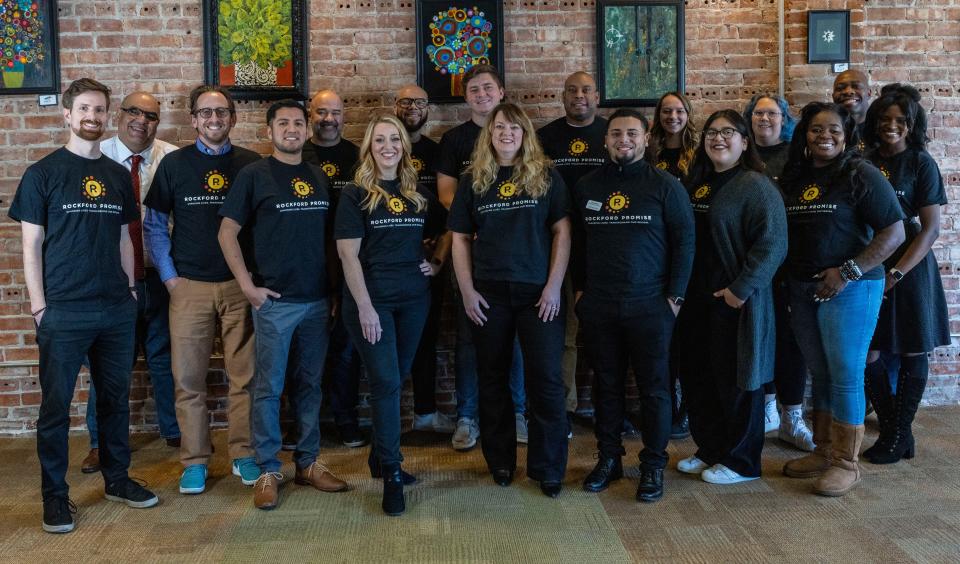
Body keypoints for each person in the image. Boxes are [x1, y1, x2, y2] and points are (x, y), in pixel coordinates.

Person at [9, 78, 159, 534]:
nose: (92, 117)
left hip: (115, 308)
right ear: (68, 115)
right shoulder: (43, 173)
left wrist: (131, 291)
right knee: (55, 410)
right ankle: (55, 498)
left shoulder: (117, 176)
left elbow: (123, 237)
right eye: (84, 109)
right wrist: (39, 308)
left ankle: (117, 479)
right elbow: (30, 247)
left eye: (100, 110)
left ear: (107, 116)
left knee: (114, 401)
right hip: (63, 312)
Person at [218, 100, 348, 510]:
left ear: (307, 129)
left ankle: (308, 463)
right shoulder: (254, 175)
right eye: (283, 123)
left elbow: (329, 240)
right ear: (270, 129)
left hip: (315, 301)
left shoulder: (316, 175)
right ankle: (269, 468)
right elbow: (226, 233)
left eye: (298, 122)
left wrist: (332, 292)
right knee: (269, 389)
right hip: (275, 303)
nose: (292, 129)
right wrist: (248, 287)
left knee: (311, 385)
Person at [781, 102, 905, 497]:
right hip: (803, 289)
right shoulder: (796, 176)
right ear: (805, 136)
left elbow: (895, 231)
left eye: (834, 129)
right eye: (816, 130)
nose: (825, 136)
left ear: (848, 135)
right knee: (821, 373)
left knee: (845, 373)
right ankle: (823, 450)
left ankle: (846, 463)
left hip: (852, 289)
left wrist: (847, 271)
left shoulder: (861, 173)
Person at [448, 102, 571, 498]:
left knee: (547, 383)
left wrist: (553, 286)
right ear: (489, 133)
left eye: (515, 128)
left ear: (525, 134)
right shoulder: (473, 180)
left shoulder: (546, 175)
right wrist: (467, 290)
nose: (507, 134)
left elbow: (562, 234)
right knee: (493, 380)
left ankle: (548, 468)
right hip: (489, 295)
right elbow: (461, 239)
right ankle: (500, 461)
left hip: (539, 295)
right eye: (500, 127)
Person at [143, 85, 261, 495]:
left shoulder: (251, 165)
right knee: (188, 379)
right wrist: (170, 278)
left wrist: (253, 281)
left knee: (244, 378)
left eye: (222, 113)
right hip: (188, 286)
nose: (214, 120)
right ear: (193, 119)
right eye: (206, 113)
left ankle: (244, 454)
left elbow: (262, 227)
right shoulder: (174, 165)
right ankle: (194, 461)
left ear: (233, 118)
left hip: (238, 287)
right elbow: (155, 225)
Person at [572, 109, 694, 502]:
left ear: (645, 139)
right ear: (605, 141)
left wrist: (675, 298)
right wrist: (579, 291)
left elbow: (685, 243)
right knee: (606, 387)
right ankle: (609, 459)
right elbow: (575, 243)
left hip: (651, 306)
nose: (623, 139)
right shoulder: (588, 186)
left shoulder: (666, 185)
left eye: (631, 133)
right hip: (600, 305)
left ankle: (653, 465)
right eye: (615, 134)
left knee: (654, 391)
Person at [336, 114, 447, 516]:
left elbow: (449, 227)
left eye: (394, 140)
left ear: (404, 146)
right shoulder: (355, 194)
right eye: (380, 139)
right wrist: (365, 307)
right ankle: (394, 472)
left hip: (414, 299)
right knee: (385, 383)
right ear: (369, 146)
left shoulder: (415, 191)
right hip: (373, 302)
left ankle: (379, 459)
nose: (388, 146)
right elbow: (348, 256)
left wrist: (435, 262)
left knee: (397, 379)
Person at [674, 110, 787, 485]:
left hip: (734, 300)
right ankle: (710, 448)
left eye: (728, 132)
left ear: (743, 141)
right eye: (711, 132)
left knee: (736, 380)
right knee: (700, 376)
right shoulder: (699, 183)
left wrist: (741, 290)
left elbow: (773, 245)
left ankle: (742, 462)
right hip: (695, 299)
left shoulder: (755, 185)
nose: (718, 139)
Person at [80, 92, 181, 475]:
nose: (141, 120)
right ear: (119, 116)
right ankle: (98, 442)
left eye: (151, 115)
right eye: (134, 111)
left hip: (159, 277)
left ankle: (174, 431)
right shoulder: (95, 155)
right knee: (110, 365)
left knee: (165, 357)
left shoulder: (172, 158)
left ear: (158, 121)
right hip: (111, 281)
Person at [435, 65, 527, 450]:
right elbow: (445, 192)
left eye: (488, 88)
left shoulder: (520, 133)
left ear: (502, 91)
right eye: (474, 89)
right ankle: (468, 417)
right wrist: (474, 222)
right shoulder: (455, 139)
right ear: (466, 96)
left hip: (517, 258)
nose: (482, 94)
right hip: (469, 252)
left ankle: (518, 411)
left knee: (518, 336)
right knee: (471, 335)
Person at [861, 84, 950, 464]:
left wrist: (896, 272)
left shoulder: (920, 163)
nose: (891, 126)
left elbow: (930, 229)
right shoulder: (862, 160)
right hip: (870, 262)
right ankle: (900, 431)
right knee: (870, 351)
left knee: (913, 347)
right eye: (885, 119)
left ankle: (897, 435)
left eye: (900, 120)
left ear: (912, 125)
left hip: (910, 267)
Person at [537, 71, 608, 433]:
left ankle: (607, 410)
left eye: (585, 90)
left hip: (606, 249)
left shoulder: (613, 133)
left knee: (605, 332)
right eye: (571, 90)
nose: (579, 96)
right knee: (563, 332)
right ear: (561, 96)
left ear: (597, 96)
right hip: (558, 248)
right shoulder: (545, 137)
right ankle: (563, 407)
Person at [742, 93, 813, 451]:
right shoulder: (743, 155)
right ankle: (767, 407)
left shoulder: (796, 157)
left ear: (784, 118)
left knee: (791, 339)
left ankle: (792, 415)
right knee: (760, 334)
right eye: (758, 113)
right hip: (751, 262)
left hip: (791, 261)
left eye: (771, 113)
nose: (764, 119)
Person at [299, 89, 368, 449]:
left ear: (344, 115)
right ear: (310, 114)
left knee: (346, 348)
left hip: (348, 264)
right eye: (321, 112)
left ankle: (345, 419)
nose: (329, 119)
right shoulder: (297, 153)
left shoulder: (358, 157)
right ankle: (301, 424)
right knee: (303, 349)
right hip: (305, 261)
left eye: (335, 112)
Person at [394, 84, 457, 435]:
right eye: (406, 101)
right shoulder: (379, 152)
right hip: (390, 263)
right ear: (394, 107)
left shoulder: (438, 152)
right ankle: (391, 419)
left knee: (427, 337)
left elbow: (447, 208)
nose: (413, 107)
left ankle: (425, 412)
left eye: (420, 101)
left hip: (428, 261)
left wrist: (437, 254)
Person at [649, 91, 699, 439]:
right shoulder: (649, 151)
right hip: (655, 253)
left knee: (685, 337)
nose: (672, 116)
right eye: (666, 111)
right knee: (661, 338)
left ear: (687, 114)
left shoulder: (696, 155)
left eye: (679, 110)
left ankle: (685, 408)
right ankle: (662, 406)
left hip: (687, 250)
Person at [832, 69, 871, 145]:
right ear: (833, 96)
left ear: (869, 93)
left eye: (856, 86)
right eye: (840, 88)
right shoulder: (827, 130)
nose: (848, 91)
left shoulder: (880, 128)